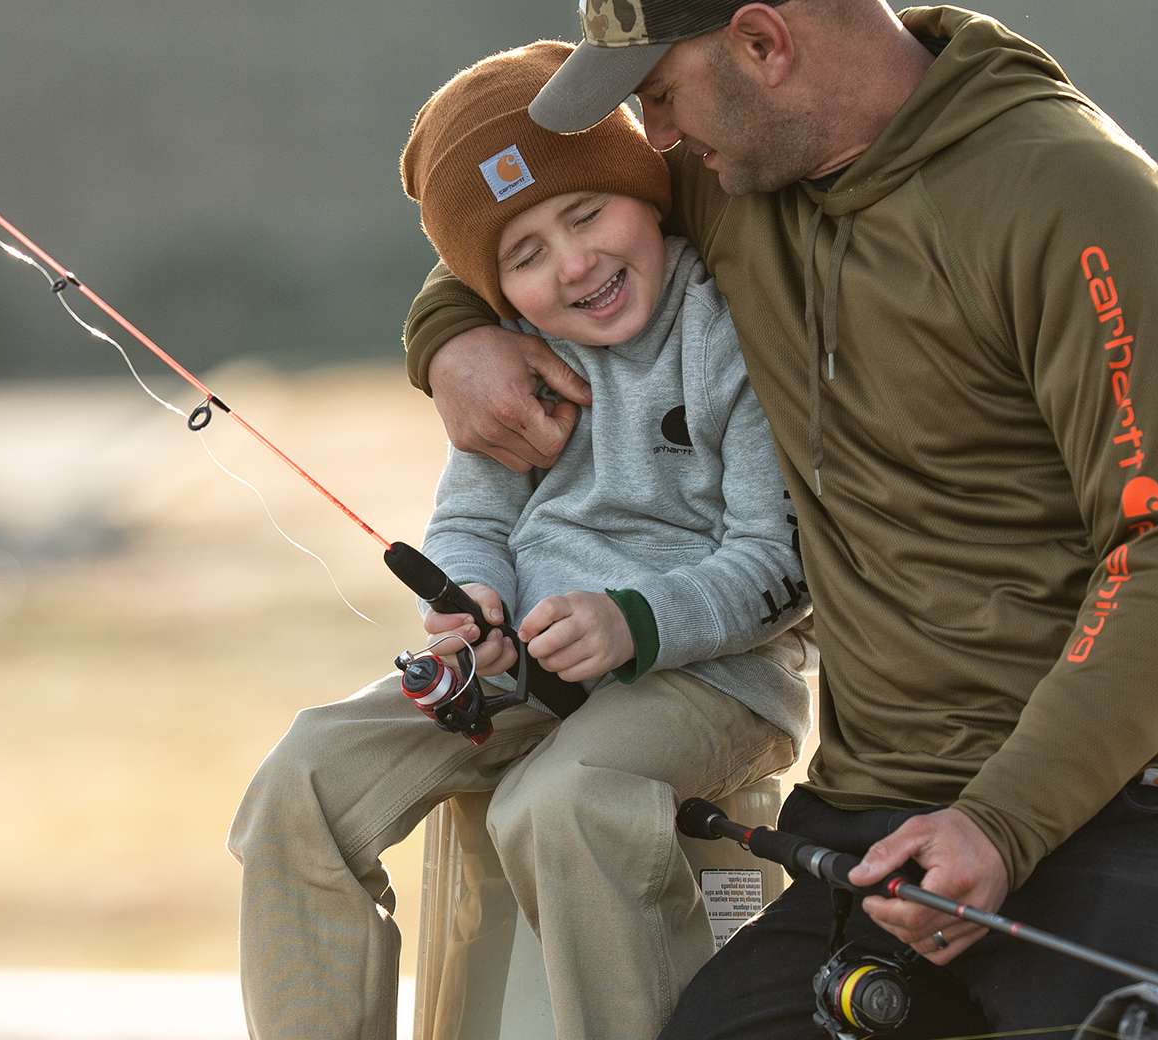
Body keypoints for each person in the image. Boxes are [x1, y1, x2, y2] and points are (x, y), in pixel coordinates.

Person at [400, 2, 1158, 1033]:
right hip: (873, 819)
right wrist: (452, 337)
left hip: (1132, 811)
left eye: (658, 97)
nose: (657, 141)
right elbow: (511, 203)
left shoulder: (1081, 198)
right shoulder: (733, 171)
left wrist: (1001, 822)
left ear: (764, 44)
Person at [228, 40, 815, 1040]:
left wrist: (634, 621)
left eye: (586, 214)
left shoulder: (735, 331)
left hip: (715, 683)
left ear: (646, 190)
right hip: (527, 676)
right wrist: (470, 598)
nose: (573, 264)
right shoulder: (513, 359)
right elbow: (473, 518)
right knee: (302, 778)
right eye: (525, 255)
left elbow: (781, 567)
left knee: (558, 806)